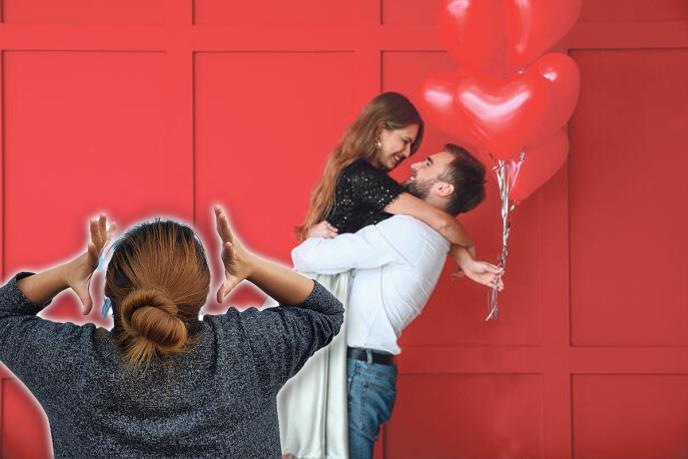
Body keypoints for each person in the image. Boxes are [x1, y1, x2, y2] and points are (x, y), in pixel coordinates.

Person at [0, 205, 343, 458]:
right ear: (202, 290)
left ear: (110, 293)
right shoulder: (248, 348)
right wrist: (252, 267)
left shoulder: (71, 364)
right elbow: (324, 311)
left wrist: (66, 272)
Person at [276, 93, 489, 459]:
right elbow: (441, 224)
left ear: (443, 188)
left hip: (355, 372)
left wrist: (310, 239)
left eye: (427, 162)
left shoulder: (408, 229)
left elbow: (307, 256)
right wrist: (464, 253)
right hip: (356, 366)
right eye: (406, 143)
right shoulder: (416, 227)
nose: (413, 161)